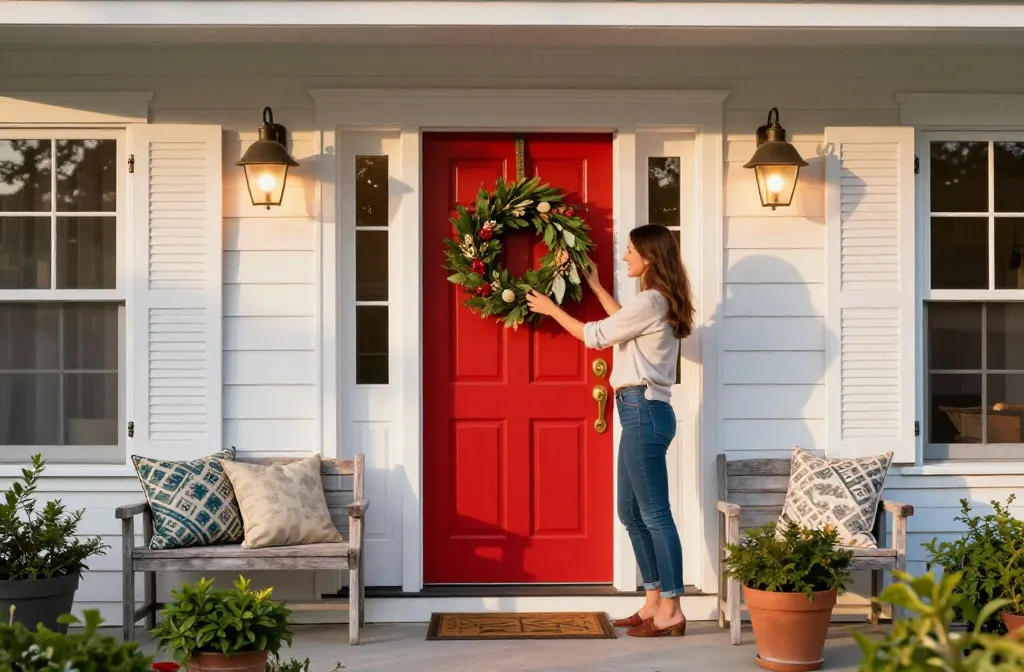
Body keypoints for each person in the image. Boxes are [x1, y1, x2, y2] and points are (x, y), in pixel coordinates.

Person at [525, 224, 695, 638]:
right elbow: (623, 324)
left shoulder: (653, 300)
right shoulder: (654, 302)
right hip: (640, 411)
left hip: (644, 410)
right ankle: (654, 599)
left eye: (631, 251)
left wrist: (551, 309)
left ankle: (671, 606)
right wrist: (598, 288)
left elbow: (596, 335)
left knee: (654, 513)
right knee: (631, 511)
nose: (625, 258)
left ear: (649, 257)